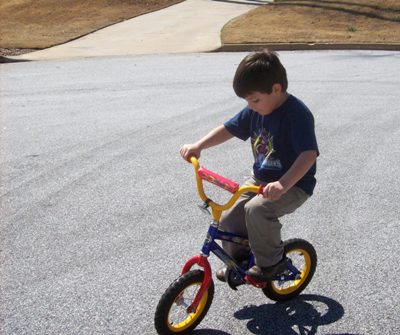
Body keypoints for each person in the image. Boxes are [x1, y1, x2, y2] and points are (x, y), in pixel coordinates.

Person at [180, 50, 319, 282]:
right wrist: (198, 145)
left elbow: (309, 154)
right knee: (229, 220)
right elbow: (229, 128)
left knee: (257, 210)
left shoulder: (297, 114)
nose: (251, 106)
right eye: (247, 101)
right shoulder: (256, 110)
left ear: (276, 89)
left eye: (254, 100)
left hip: (294, 184)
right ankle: (240, 262)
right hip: (260, 181)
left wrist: (283, 184)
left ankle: (272, 263)